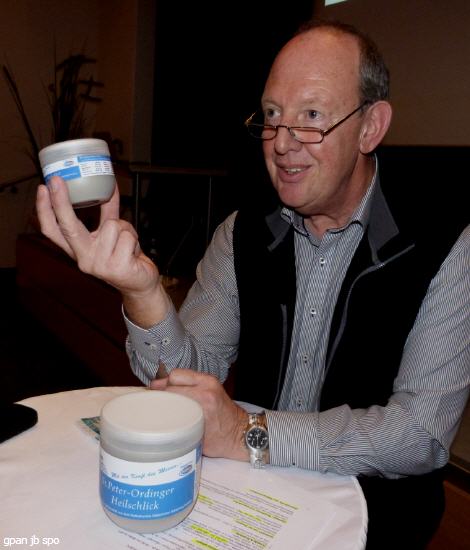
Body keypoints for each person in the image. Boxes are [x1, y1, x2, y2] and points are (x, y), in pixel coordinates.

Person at [37, 19, 469, 549]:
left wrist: (249, 433)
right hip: (253, 495)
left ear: (370, 127)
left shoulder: (446, 245)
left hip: (376, 512)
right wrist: (142, 291)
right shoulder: (242, 233)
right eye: (272, 115)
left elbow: (421, 435)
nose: (281, 143)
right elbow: (187, 385)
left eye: (311, 116)